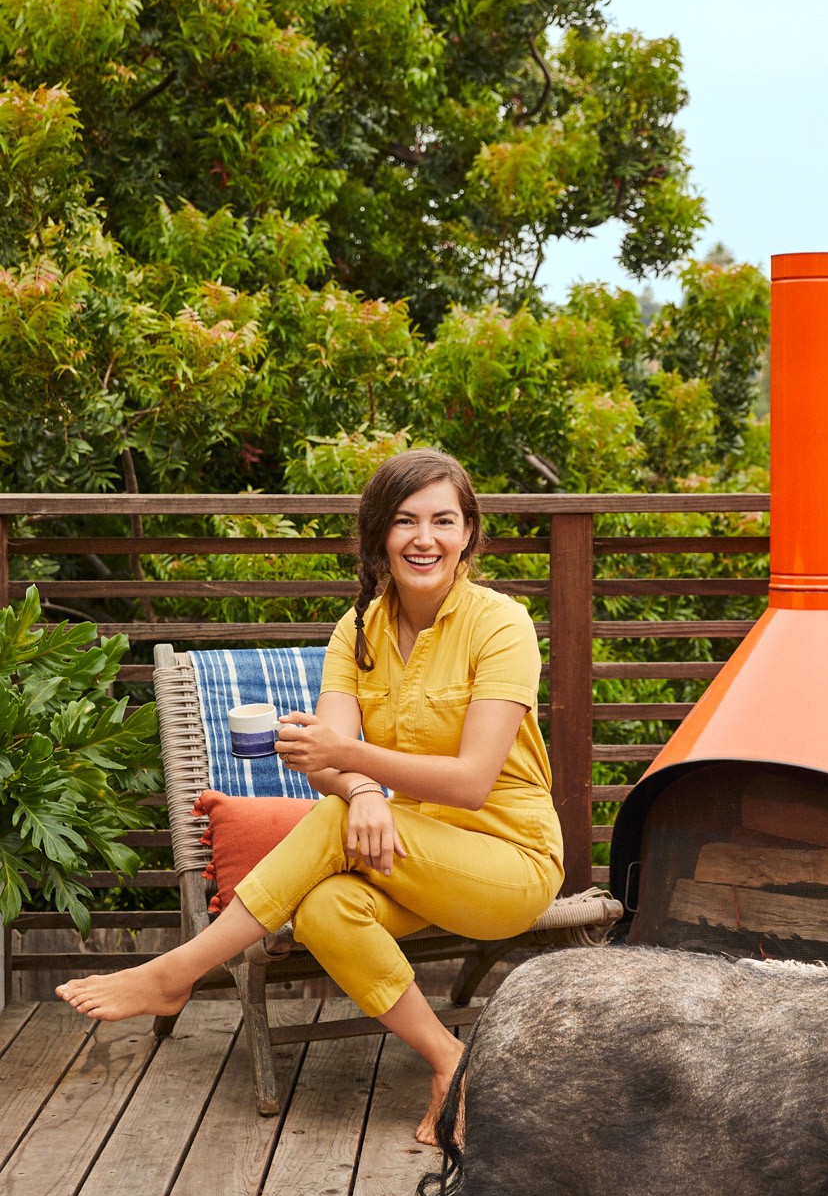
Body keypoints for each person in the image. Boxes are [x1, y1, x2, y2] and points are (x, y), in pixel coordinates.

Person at [56, 449, 564, 1144]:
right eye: (406, 521)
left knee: (330, 819)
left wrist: (349, 769)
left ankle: (180, 971)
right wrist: (363, 790)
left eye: (444, 521)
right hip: (408, 851)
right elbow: (325, 760)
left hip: (509, 861)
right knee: (326, 907)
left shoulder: (500, 625)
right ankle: (450, 1059)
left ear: (469, 533)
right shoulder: (357, 631)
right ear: (380, 534)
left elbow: (473, 781)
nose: (425, 538)